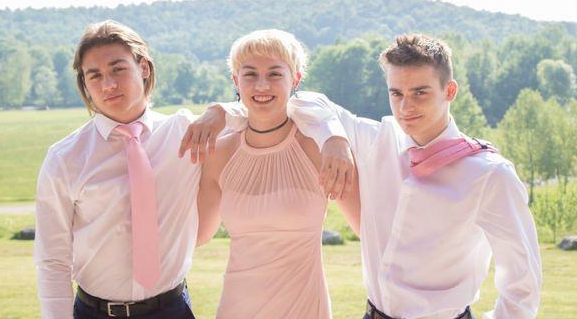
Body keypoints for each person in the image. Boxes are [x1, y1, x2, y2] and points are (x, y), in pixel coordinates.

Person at [35, 21, 351, 319]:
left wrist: (333, 135)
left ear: (143, 67)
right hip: (94, 311)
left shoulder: (187, 133)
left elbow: (270, 108)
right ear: (85, 84)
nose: (109, 84)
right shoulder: (65, 158)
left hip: (172, 308)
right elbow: (52, 260)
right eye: (95, 75)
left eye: (118, 68)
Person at [214, 34, 542, 318]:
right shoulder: (374, 142)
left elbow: (522, 281)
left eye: (420, 92)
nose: (405, 106)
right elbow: (304, 102)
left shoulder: (489, 174)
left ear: (450, 90)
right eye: (396, 93)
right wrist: (335, 139)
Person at [195, 29, 361, 318]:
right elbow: (195, 235)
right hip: (237, 308)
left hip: (305, 308)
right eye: (250, 75)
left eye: (274, 74)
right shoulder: (219, 154)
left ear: (295, 79)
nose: (262, 85)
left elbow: (366, 228)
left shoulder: (320, 147)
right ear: (236, 80)